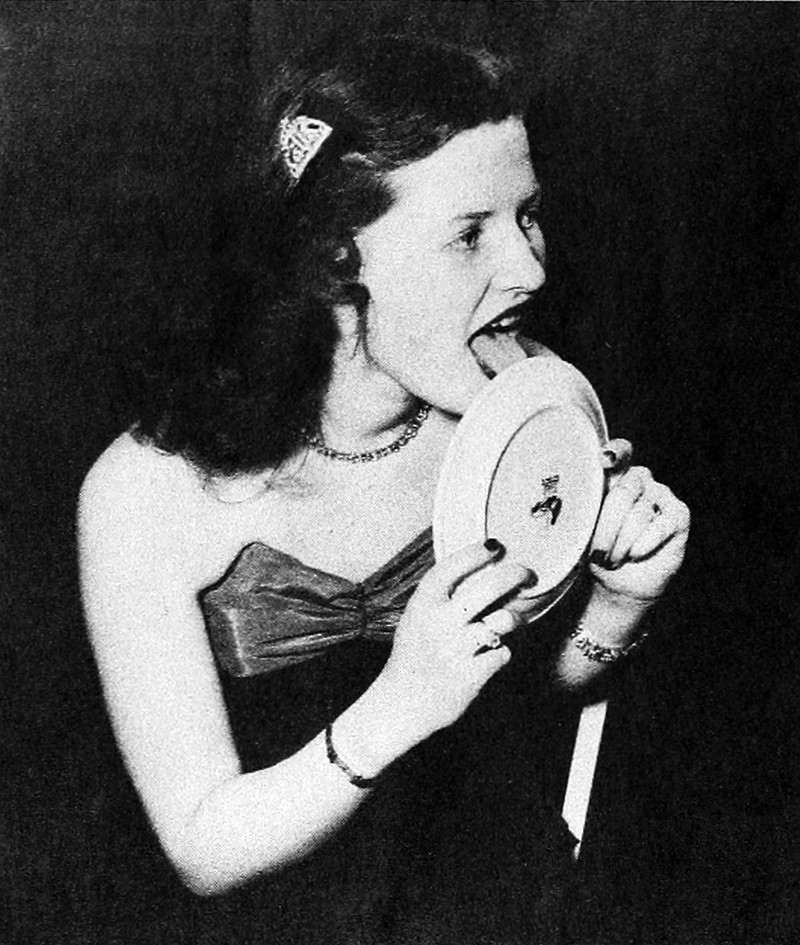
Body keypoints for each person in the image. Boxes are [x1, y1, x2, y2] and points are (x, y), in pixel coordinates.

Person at [78, 34, 690, 944]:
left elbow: (539, 697)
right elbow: (201, 848)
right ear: (335, 259)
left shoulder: (529, 407)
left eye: (527, 216)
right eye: (470, 234)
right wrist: (399, 705)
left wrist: (620, 599)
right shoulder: (147, 492)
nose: (530, 269)